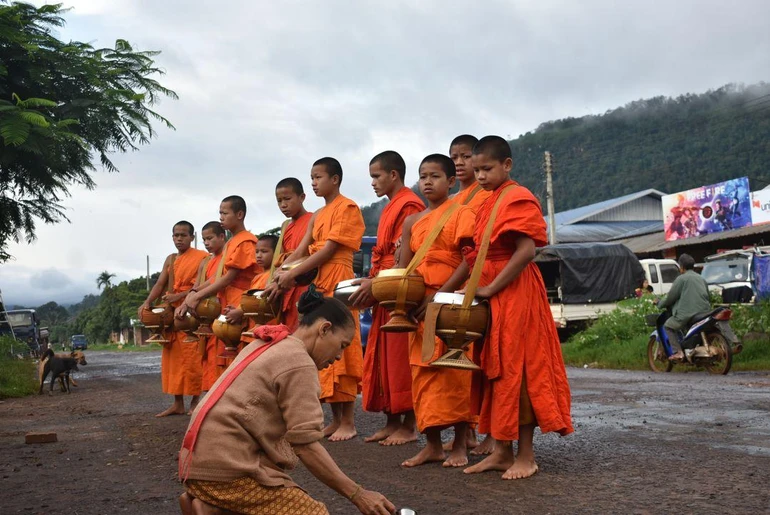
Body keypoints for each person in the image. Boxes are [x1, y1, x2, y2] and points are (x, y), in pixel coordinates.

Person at [178, 287, 396, 515]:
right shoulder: (299, 362)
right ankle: (215, 507)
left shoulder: (268, 343)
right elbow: (306, 445)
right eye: (341, 345)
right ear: (324, 329)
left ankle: (211, 509)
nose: (340, 356)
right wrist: (357, 494)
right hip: (226, 474)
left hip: (195, 466)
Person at [452, 136, 573, 480]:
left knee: (520, 369)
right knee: (495, 368)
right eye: (476, 171)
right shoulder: (488, 202)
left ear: (507, 165)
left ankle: (527, 456)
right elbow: (480, 252)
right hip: (491, 293)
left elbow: (525, 251)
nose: (480, 177)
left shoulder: (518, 197)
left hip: (516, 292)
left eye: (487, 169)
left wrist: (491, 287)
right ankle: (502, 451)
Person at [269, 157, 365, 442]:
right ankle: (335, 420)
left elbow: (329, 250)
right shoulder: (318, 215)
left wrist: (295, 272)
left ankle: (349, 420)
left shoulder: (347, 207)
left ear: (334, 179)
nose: (313, 183)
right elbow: (301, 249)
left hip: (338, 277)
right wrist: (278, 274)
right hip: (320, 280)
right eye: (311, 178)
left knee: (342, 346)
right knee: (324, 347)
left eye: (318, 177)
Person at [397, 154, 477, 468]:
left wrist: (440, 294)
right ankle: (431, 444)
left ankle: (459, 444)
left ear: (451, 181)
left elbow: (469, 258)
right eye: (423, 176)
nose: (427, 182)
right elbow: (403, 267)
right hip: (420, 303)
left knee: (455, 371)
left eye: (435, 176)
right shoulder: (413, 222)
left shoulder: (462, 212)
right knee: (422, 370)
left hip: (451, 301)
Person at [350, 151, 424, 446]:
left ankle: (409, 425)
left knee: (400, 358)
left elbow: (404, 254)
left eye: (376, 176)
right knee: (382, 357)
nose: (372, 183)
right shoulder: (391, 206)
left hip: (399, 291)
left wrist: (378, 282)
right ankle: (392, 421)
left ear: (394, 175)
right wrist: (371, 280)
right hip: (385, 288)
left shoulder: (410, 205)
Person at [138, 221, 208, 417]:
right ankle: (177, 403)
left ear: (192, 238)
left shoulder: (203, 258)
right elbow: (160, 284)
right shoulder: (170, 259)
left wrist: (180, 297)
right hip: (171, 315)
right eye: (176, 235)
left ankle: (195, 402)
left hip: (192, 311)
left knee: (194, 359)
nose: (179, 239)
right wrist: (147, 302)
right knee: (173, 361)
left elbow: (202, 284)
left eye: (183, 235)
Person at [178, 196, 259, 358]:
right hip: (226, 301)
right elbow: (217, 276)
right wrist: (193, 293)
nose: (221, 217)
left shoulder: (246, 241)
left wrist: (198, 295)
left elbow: (229, 277)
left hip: (241, 302)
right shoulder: (231, 242)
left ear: (239, 214)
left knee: (240, 355)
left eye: (225, 213)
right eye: (219, 213)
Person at [655, 253, 711, 361]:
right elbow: (708, 296)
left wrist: (659, 304)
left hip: (687, 314)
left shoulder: (681, 279)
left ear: (681, 267)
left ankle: (678, 352)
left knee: (668, 326)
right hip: (704, 312)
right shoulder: (701, 278)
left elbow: (670, 297)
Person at [275, 178, 314, 330]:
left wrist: (284, 272)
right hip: (286, 287)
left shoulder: (313, 220)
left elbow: (309, 254)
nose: (283, 205)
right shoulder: (285, 227)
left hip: (305, 283)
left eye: (287, 199)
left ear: (302, 197)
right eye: (279, 201)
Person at [223, 234, 280, 336]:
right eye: (257, 252)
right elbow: (251, 302)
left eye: (264, 251)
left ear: (276, 253)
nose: (259, 255)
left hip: (268, 328)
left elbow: (262, 303)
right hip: (252, 327)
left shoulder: (274, 276)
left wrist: (240, 312)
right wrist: (237, 310)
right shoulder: (257, 278)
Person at [194, 221, 226, 392]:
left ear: (222, 237)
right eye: (204, 239)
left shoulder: (227, 256)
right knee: (207, 357)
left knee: (220, 356)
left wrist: (195, 293)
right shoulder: (206, 262)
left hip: (222, 312)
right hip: (206, 315)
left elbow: (218, 280)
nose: (206, 243)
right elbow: (198, 284)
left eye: (210, 238)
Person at [449, 134, 492, 212]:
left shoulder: (488, 193)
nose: (458, 163)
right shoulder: (448, 200)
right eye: (454, 158)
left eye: (466, 157)